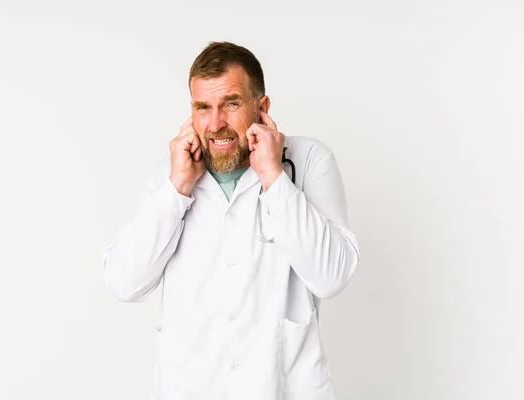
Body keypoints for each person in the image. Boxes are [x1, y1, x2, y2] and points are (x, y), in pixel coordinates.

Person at [102, 41, 360, 400]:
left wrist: (273, 176)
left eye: (231, 104)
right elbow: (124, 282)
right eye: (202, 107)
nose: (215, 123)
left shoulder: (307, 161)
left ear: (262, 106)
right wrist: (178, 189)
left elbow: (331, 277)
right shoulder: (168, 176)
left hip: (282, 389)